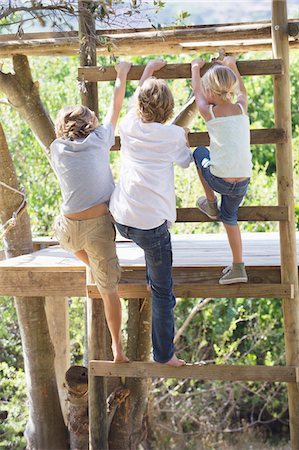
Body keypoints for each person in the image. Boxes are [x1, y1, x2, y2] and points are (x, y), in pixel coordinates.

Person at [109, 59, 193, 367]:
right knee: (162, 292)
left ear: (140, 105)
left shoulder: (129, 126)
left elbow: (135, 101)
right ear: (169, 111)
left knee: (149, 249)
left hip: (121, 220)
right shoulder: (171, 135)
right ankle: (164, 355)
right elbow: (185, 162)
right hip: (151, 228)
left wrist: (147, 73)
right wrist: (184, 138)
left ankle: (150, 278)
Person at [51, 61, 132, 362]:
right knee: (109, 289)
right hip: (99, 227)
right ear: (92, 127)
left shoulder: (56, 148)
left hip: (69, 230)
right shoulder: (100, 141)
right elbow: (116, 105)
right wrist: (121, 74)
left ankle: (92, 266)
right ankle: (118, 349)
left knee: (58, 230)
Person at [191, 56, 252, 285]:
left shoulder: (210, 112)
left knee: (198, 152)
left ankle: (210, 202)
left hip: (219, 180)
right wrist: (232, 65)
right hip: (243, 180)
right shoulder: (241, 108)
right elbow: (243, 92)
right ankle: (238, 267)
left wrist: (195, 67)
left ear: (212, 92)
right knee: (230, 217)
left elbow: (196, 91)